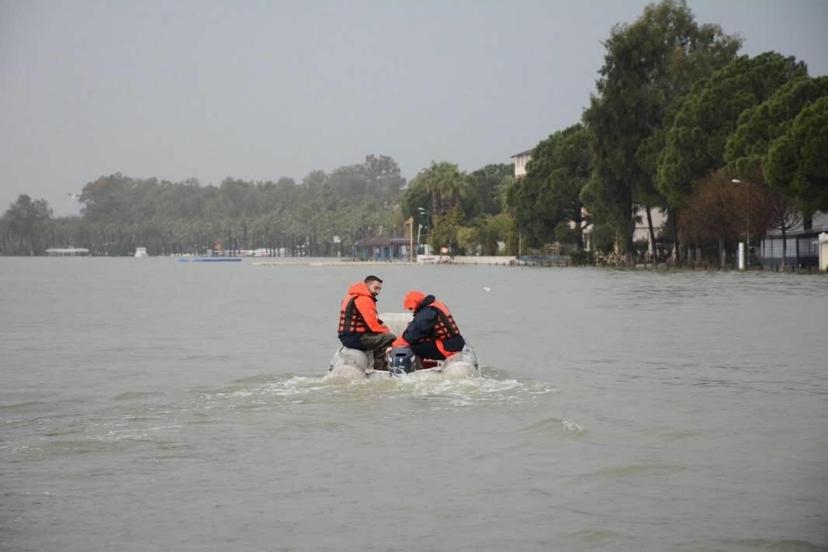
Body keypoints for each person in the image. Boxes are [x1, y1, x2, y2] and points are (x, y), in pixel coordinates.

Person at [337, 275, 396, 370]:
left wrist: (382, 326)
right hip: (355, 337)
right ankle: (380, 368)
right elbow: (373, 326)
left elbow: (371, 319)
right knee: (389, 338)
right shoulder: (364, 299)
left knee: (381, 336)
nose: (378, 292)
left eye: (379, 289)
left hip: (347, 336)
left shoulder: (352, 295)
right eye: (376, 288)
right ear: (367, 285)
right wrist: (388, 331)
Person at [393, 290, 465, 361]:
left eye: (411, 308)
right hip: (456, 342)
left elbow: (410, 336)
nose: (411, 311)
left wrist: (395, 346)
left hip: (447, 347)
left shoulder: (427, 313)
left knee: (412, 347)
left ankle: (415, 366)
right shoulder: (437, 305)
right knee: (419, 342)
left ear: (416, 304)